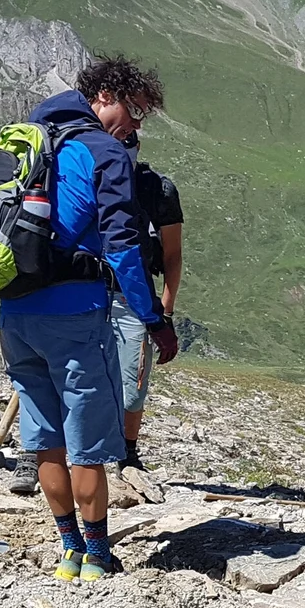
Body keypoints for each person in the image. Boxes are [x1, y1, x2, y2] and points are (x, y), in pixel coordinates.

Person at [3, 57, 173, 583]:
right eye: (135, 110)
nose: (137, 126)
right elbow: (123, 246)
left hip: (16, 309)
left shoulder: (32, 137)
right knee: (87, 444)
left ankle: (68, 551)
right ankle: (97, 556)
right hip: (76, 314)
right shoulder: (105, 153)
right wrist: (154, 319)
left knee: (45, 438)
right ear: (103, 95)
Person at [117, 131, 186, 470]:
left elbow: (172, 254)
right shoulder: (84, 175)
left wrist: (166, 309)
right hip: (85, 291)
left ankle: (127, 453)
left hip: (136, 298)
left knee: (133, 384)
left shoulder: (157, 189)